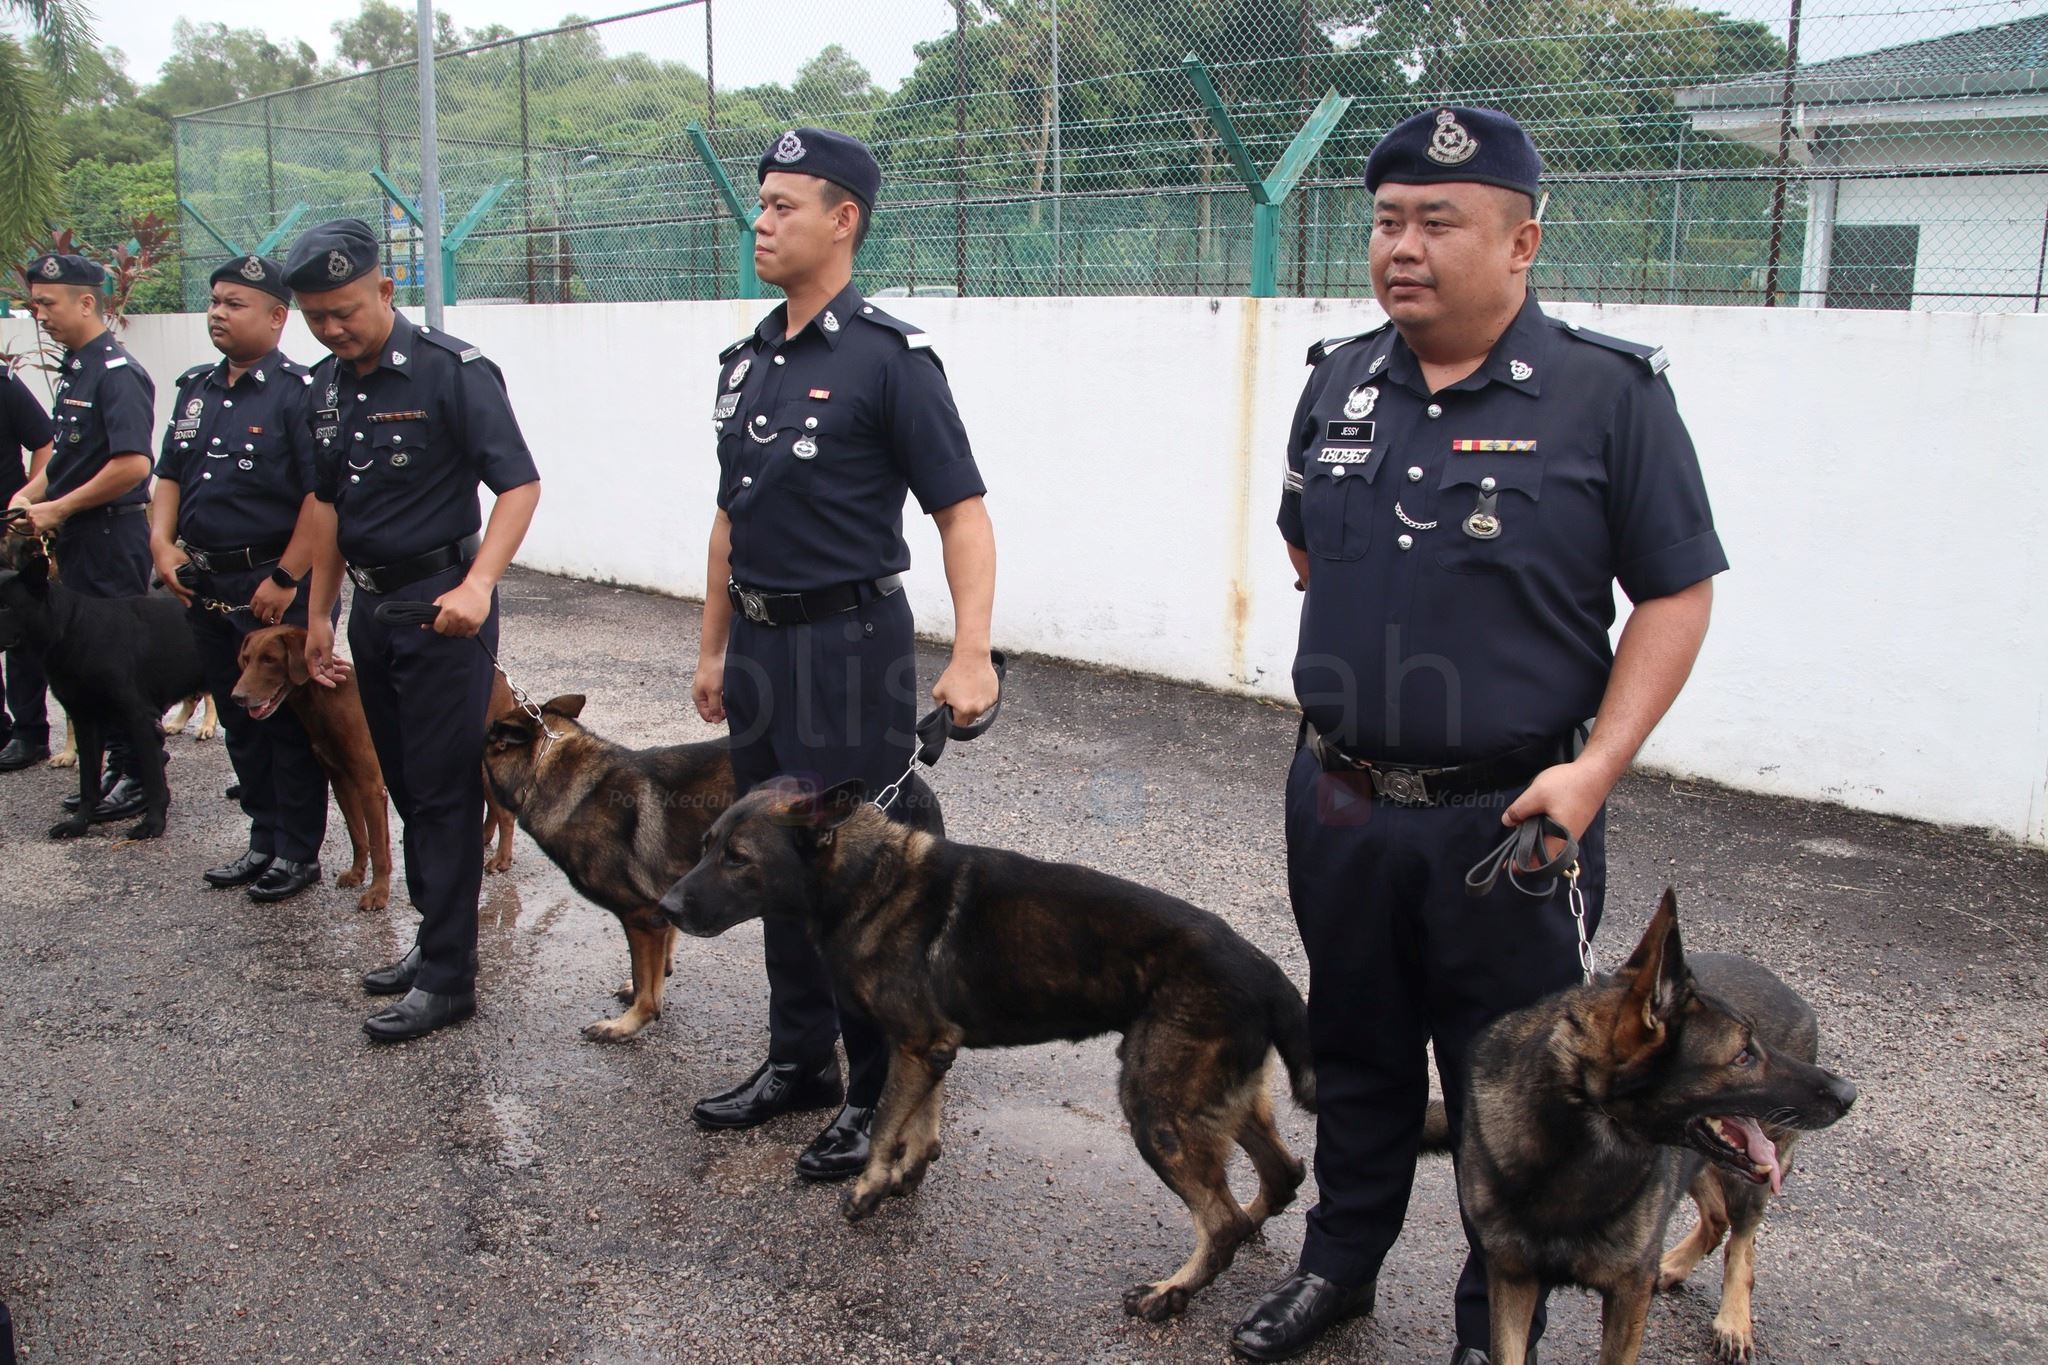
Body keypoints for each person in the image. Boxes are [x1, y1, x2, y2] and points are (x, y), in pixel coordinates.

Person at [1230, 107, 1726, 1365]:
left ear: (1520, 244)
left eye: (1437, 221)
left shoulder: (1605, 396)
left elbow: (1674, 592)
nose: (1402, 245)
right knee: (1354, 1050)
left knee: (1513, 1085)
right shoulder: (1337, 379)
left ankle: (1480, 1322)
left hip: (1508, 820)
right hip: (1338, 799)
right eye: (1387, 219)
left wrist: (1594, 766)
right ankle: (1337, 1270)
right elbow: (1302, 545)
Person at [689, 127, 998, 1181]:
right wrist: (711, 649)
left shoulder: (888, 361)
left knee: (857, 880)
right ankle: (798, 1061)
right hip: (762, 654)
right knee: (769, 859)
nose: (760, 222)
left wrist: (971, 654)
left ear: (842, 220)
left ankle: (875, 1091)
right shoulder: (746, 364)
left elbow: (959, 513)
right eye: (759, 204)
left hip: (848, 648)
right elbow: (729, 519)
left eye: (782, 205)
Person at [285, 219, 542, 1043]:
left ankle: (448, 976)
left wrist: (478, 583)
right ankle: (437, 939)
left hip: (443, 604)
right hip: (372, 609)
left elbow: (519, 486)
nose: (332, 327)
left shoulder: (451, 372)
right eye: (316, 315)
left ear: (386, 289)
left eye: (346, 309)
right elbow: (326, 508)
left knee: (440, 788)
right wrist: (320, 612)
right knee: (402, 779)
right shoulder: (324, 388)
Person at [149, 254, 332, 903]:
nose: (218, 313)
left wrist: (288, 576)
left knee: (286, 720)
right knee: (238, 715)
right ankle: (262, 835)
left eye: (235, 304)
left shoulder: (303, 392)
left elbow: (322, 496)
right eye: (215, 301)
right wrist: (161, 544)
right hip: (205, 583)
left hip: (271, 585)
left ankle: (297, 849)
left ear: (278, 317)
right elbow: (168, 474)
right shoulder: (196, 388)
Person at [10, 251, 157, 821]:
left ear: (87, 301)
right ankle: (113, 773)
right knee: (84, 659)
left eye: (47, 303)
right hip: (76, 534)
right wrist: (31, 495)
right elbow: (68, 457)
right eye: (35, 303)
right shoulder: (78, 368)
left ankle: (137, 773)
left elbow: (131, 465)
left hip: (108, 535)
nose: (39, 313)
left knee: (113, 661)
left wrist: (59, 507)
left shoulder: (117, 374)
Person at [0, 362, 56, 770]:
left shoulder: (3, 384)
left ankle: (29, 732)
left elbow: (44, 441)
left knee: (17, 630)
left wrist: (28, 500)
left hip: (5, 528)